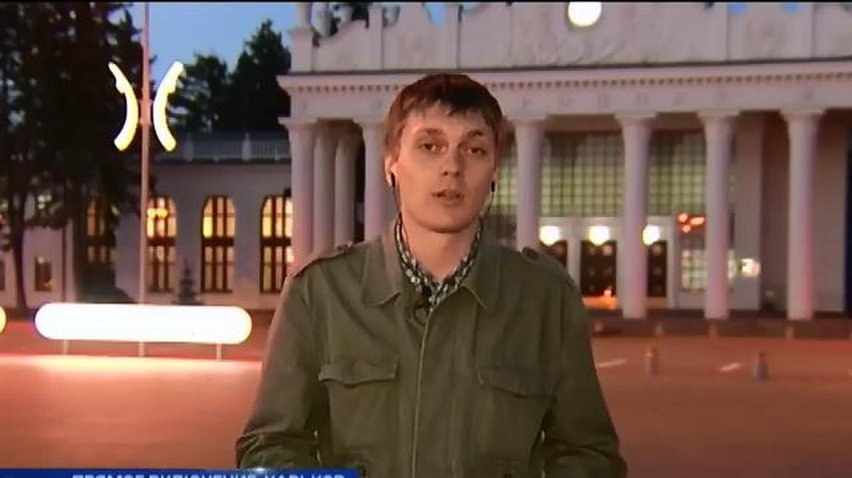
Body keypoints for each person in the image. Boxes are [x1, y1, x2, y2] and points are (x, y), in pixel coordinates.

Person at [236, 73, 627, 478]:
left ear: (495, 169)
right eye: (430, 146)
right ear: (391, 162)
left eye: (474, 149)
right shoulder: (321, 293)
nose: (452, 167)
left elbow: (589, 454)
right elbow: (269, 446)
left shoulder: (545, 300)